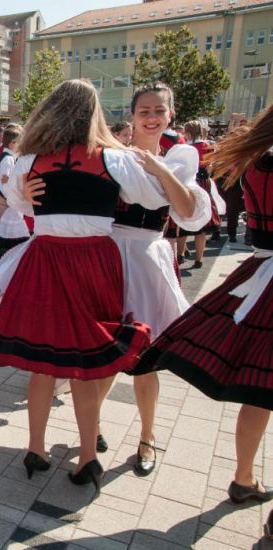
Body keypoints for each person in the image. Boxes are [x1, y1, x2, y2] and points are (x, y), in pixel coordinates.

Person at [0, 80, 203, 490]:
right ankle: (88, 456)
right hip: (94, 260)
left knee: (42, 361)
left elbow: (15, 202)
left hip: (45, 258)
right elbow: (154, 199)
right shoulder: (113, 159)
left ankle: (36, 448)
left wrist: (25, 193)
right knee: (88, 361)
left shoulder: (28, 159)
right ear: (93, 114)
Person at [132, 103, 273, 506]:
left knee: (260, 392)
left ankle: (244, 476)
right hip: (260, 277)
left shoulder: (254, 159)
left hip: (259, 274)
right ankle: (244, 480)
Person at [108, 83, 211, 476]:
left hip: (149, 258)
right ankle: (92, 434)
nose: (151, 117)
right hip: (109, 258)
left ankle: (147, 437)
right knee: (103, 353)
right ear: (132, 117)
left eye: (158, 111)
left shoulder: (179, 162)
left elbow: (188, 212)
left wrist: (160, 169)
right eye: (143, 111)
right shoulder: (113, 158)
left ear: (170, 116)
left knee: (146, 358)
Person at [174, 120, 222, 268]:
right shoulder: (208, 146)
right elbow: (213, 164)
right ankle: (199, 259)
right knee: (203, 220)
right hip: (204, 183)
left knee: (184, 219)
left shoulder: (185, 147)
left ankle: (180, 254)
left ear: (187, 132)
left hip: (189, 184)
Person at [0, 125, 32, 258]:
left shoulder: (7, 157)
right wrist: (14, 199)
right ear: (12, 143)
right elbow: (4, 186)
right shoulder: (8, 159)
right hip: (4, 203)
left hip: (4, 202)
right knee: (6, 237)